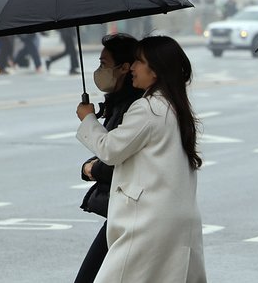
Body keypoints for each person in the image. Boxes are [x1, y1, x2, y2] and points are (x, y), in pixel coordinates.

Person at [75, 36, 205, 283]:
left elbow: (110, 149)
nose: (133, 67)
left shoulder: (147, 108)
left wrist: (88, 119)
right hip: (177, 220)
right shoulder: (175, 106)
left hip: (147, 221)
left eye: (139, 62)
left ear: (155, 70)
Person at [73, 33, 144, 283]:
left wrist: (93, 169)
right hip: (123, 212)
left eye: (104, 64)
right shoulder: (119, 103)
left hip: (133, 212)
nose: (99, 70)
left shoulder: (138, 107)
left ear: (124, 67)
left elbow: (118, 158)